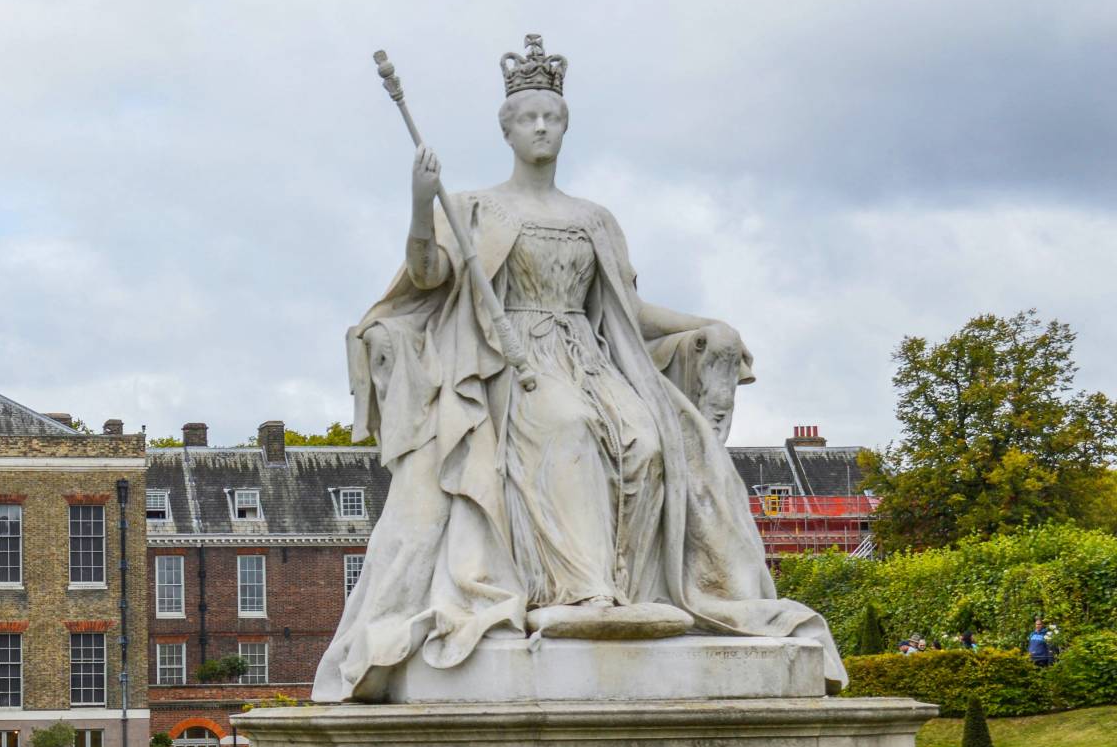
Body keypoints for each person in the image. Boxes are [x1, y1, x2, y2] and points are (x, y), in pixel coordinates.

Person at [313, 35, 847, 702]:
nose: (542, 128)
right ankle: (579, 590)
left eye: (552, 117)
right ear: (507, 129)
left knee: (650, 442)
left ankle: (630, 593)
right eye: (529, 118)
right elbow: (429, 276)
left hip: (592, 358)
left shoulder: (594, 219)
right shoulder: (475, 207)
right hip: (508, 366)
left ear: (565, 126)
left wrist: (706, 328)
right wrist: (422, 203)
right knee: (566, 430)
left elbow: (628, 310)